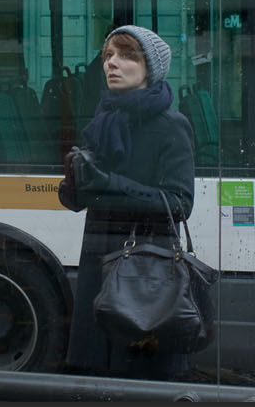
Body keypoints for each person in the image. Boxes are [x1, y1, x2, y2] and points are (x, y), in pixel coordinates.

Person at [56, 25, 198, 379]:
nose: (111, 64)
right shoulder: (105, 120)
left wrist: (109, 182)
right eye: (107, 56)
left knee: (140, 378)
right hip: (99, 260)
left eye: (125, 56)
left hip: (146, 272)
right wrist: (74, 183)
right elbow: (82, 201)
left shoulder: (171, 125)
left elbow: (179, 204)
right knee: (97, 377)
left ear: (149, 67)